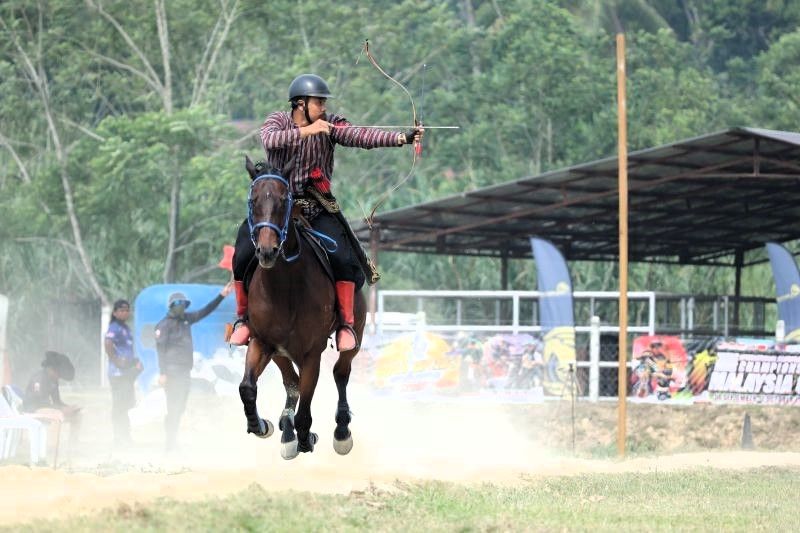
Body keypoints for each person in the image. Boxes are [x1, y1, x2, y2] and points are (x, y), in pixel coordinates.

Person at [229, 73, 424, 349]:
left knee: (343, 257)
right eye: (318, 102)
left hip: (316, 205)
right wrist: (307, 131)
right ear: (300, 104)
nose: (323, 108)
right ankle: (243, 319)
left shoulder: (331, 124)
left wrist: (401, 138)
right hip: (276, 207)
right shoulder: (277, 121)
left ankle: (345, 324)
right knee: (243, 252)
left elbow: (360, 136)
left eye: (323, 103)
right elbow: (269, 141)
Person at [155, 282, 233, 451]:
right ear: (171, 306)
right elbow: (160, 350)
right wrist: (162, 373)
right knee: (173, 407)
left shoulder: (186, 319)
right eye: (177, 304)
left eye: (183, 304)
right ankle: (169, 445)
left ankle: (172, 441)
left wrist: (222, 295)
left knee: (180, 407)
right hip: (171, 373)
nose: (181, 307)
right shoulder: (164, 325)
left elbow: (206, 311)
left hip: (184, 372)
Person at [21, 350, 82, 447]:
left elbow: (57, 401)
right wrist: (61, 409)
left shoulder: (54, 381)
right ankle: (52, 447)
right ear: (50, 369)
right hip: (33, 409)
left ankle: (73, 445)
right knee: (56, 415)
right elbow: (38, 403)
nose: (58, 377)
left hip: (46, 408)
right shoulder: (38, 379)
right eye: (58, 373)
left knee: (77, 416)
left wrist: (69, 408)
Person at [104, 299, 142, 446]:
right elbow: (108, 344)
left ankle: (125, 436)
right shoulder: (114, 327)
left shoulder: (126, 328)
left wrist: (135, 362)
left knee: (126, 405)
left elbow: (127, 351)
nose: (125, 312)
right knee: (119, 406)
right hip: (117, 374)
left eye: (127, 309)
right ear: (115, 312)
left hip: (127, 373)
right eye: (121, 310)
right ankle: (118, 438)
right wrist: (116, 360)